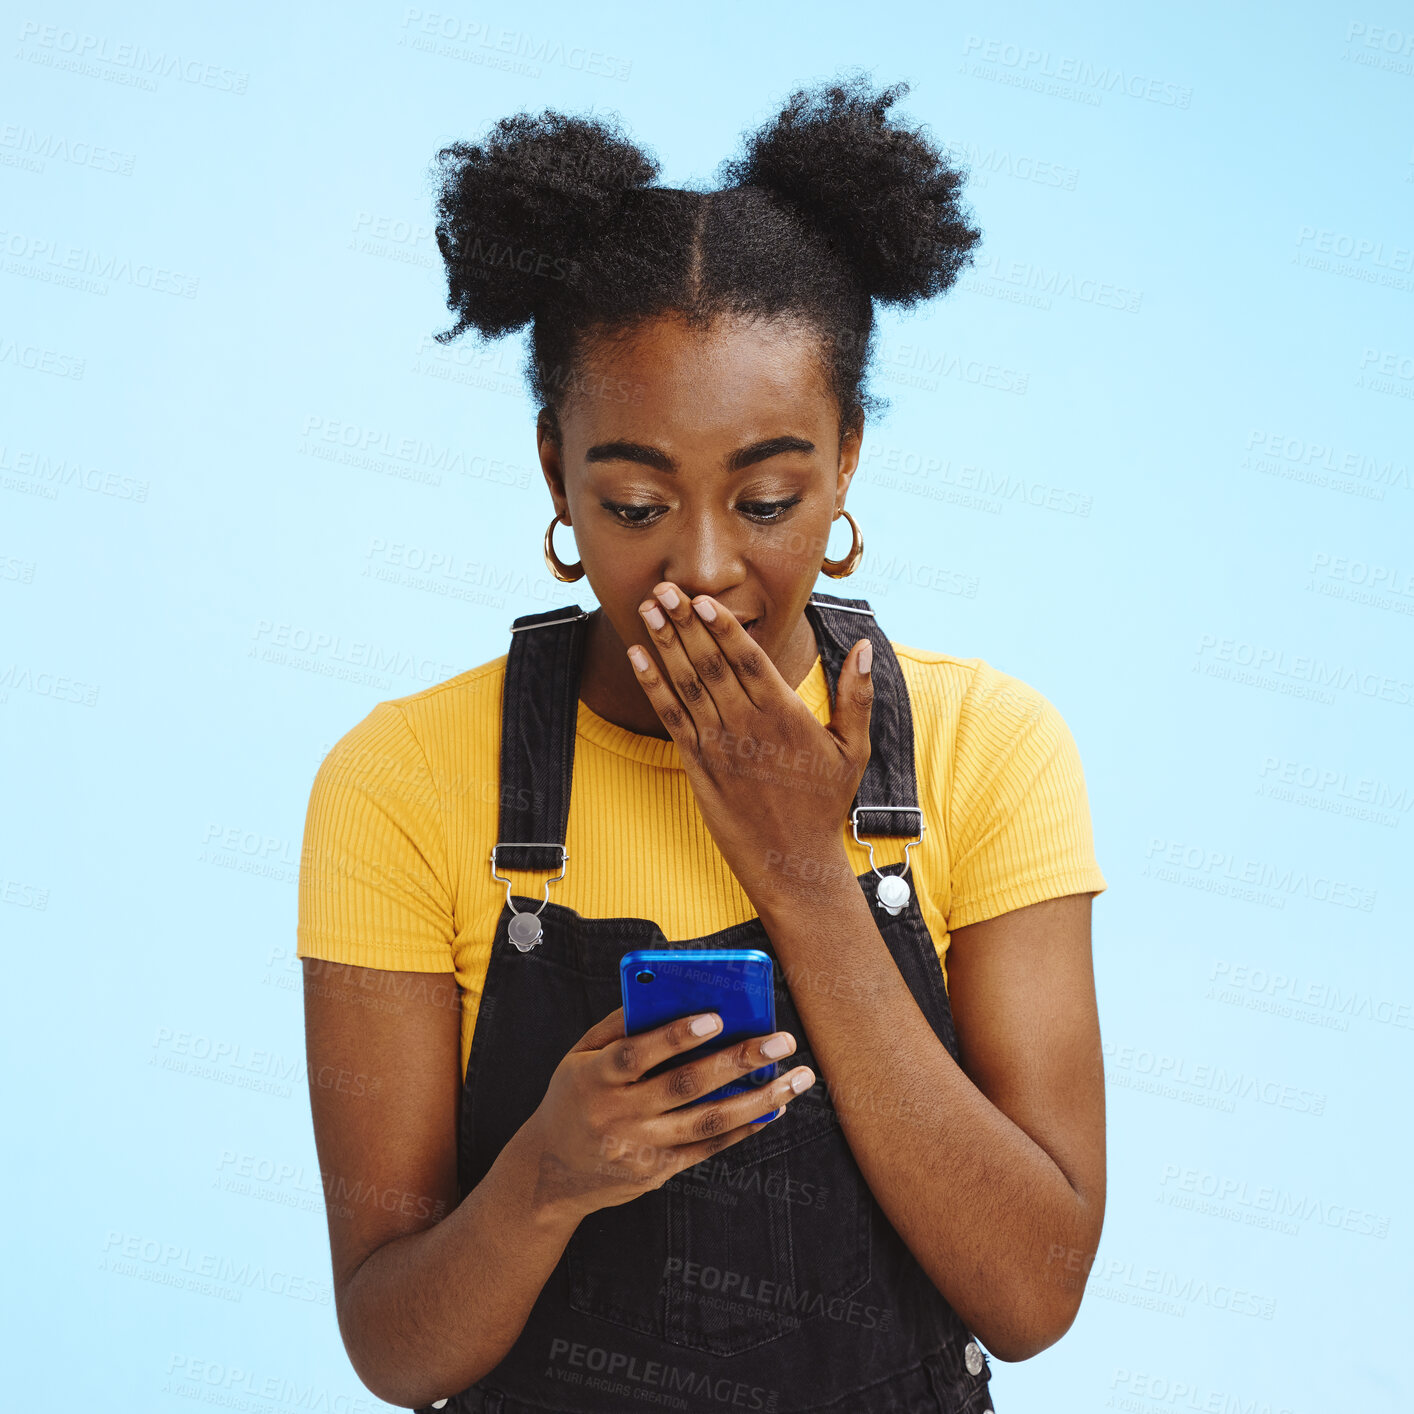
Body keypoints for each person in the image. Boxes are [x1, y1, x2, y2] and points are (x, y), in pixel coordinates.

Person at [297, 73, 1108, 1414]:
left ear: (847, 460)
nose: (702, 567)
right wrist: (546, 1175)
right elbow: (395, 1343)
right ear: (554, 472)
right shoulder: (400, 780)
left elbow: (1031, 1293)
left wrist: (803, 874)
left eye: (769, 495)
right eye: (631, 501)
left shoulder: (989, 747)